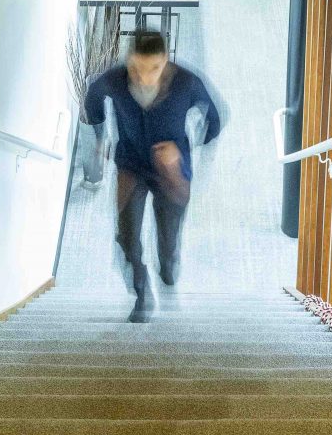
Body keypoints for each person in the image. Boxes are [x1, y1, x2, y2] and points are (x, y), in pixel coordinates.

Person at [79, 31, 228, 321]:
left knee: (168, 233)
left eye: (154, 68)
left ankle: (168, 265)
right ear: (128, 61)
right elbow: (92, 99)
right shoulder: (114, 81)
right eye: (137, 68)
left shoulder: (186, 83)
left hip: (171, 172)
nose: (145, 78)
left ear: (165, 61)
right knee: (126, 237)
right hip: (131, 165)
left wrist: (184, 149)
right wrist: (100, 138)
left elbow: (215, 121)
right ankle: (141, 290)